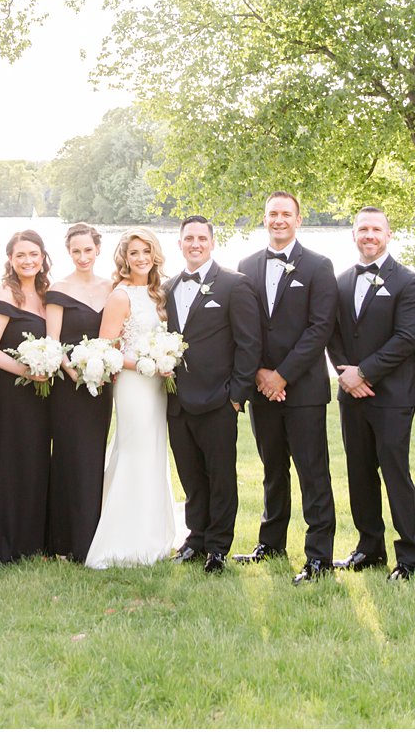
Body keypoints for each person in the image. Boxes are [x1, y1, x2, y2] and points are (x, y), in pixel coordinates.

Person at [236, 191, 338, 585]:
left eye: (285, 214)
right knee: (272, 469)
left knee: (313, 473)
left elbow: (320, 328)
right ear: (264, 220)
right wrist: (261, 373)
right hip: (262, 388)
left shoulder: (318, 265)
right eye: (272, 214)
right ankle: (271, 541)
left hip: (305, 389)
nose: (278, 220)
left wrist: (283, 375)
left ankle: (318, 557)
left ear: (298, 219)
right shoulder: (246, 265)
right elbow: (247, 327)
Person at [326, 207, 415, 580]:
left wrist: (364, 372)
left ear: (388, 235)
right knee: (359, 472)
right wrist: (346, 375)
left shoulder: (410, 282)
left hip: (393, 396)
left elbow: (406, 338)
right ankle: (369, 548)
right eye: (362, 229)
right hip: (351, 395)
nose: (369, 235)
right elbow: (331, 334)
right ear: (354, 234)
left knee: (395, 472)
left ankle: (411, 555)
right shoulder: (339, 282)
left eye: (376, 229)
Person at [165, 216, 261, 574]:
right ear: (179, 244)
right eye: (188, 238)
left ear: (212, 242)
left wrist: (236, 395)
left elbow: (249, 344)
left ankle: (219, 547)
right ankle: (196, 538)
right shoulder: (168, 287)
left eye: (201, 238)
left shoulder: (234, 285)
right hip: (177, 401)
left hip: (218, 399)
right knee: (190, 475)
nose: (195, 244)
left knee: (220, 476)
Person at [84, 228, 184, 569]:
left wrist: (163, 362)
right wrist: (146, 364)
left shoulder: (159, 293)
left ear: (155, 255)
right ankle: (123, 538)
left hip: (157, 385)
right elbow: (106, 349)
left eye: (146, 252)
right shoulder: (121, 296)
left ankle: (154, 535)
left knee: (154, 452)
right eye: (134, 253)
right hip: (133, 384)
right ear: (124, 259)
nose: (141, 258)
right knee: (133, 450)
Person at [0, 230, 54, 564]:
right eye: (20, 255)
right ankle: (4, 544)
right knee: (11, 463)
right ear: (10, 259)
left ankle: (32, 541)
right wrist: (27, 371)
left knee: (37, 462)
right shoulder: (4, 293)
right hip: (13, 393)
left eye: (33, 254)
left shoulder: (46, 294)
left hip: (44, 395)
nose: (28, 261)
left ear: (42, 257)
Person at [44, 223, 115, 562]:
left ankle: (94, 535)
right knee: (70, 457)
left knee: (93, 456)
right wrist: (74, 372)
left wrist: (103, 370)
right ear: (69, 253)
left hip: (101, 386)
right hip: (69, 387)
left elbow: (116, 335)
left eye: (88, 250)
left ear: (98, 249)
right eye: (76, 251)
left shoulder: (112, 287)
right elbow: (52, 341)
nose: (83, 256)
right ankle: (67, 540)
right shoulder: (58, 290)